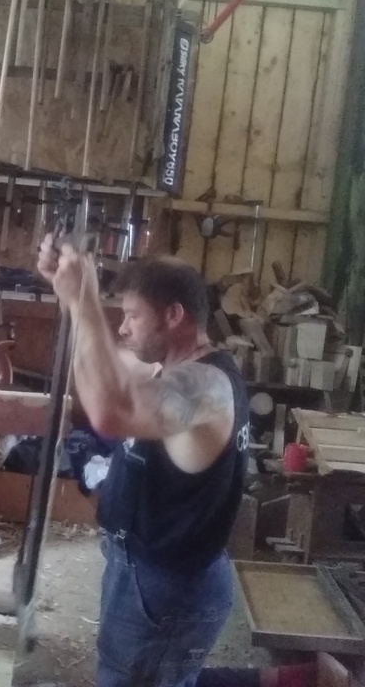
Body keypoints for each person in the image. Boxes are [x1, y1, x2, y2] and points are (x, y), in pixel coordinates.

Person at [36, 240, 250, 687]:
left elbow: (109, 411)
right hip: (147, 573)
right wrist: (72, 299)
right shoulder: (170, 368)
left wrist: (86, 301)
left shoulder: (206, 387)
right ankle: (295, 678)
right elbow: (105, 370)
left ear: (173, 315)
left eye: (133, 316)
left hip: (167, 589)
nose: (123, 327)